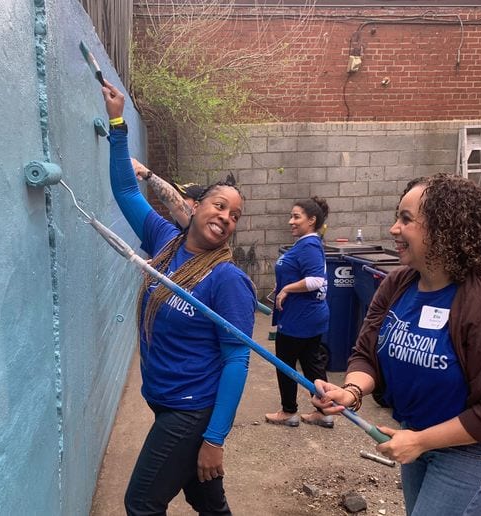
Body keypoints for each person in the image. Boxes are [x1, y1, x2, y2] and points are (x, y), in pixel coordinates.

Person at [312, 174, 481, 515]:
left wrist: (420, 441)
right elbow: (367, 353)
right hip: (416, 438)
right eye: (396, 217)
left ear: (444, 229)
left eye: (406, 220)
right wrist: (351, 392)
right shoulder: (398, 284)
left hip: (475, 452)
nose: (393, 229)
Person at [101, 79, 257, 515]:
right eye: (220, 206)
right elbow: (126, 192)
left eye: (235, 216)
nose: (226, 218)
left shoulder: (227, 281)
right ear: (195, 206)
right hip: (166, 399)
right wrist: (117, 123)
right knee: (205, 497)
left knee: (142, 502)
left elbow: (236, 361)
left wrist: (214, 439)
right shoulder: (164, 240)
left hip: (190, 410)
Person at [265, 197, 334, 429]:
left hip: (300, 319)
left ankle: (288, 412)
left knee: (285, 362)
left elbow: (316, 280)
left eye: (296, 217)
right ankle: (324, 411)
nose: (290, 221)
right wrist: (283, 284)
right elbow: (302, 273)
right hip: (307, 316)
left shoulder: (309, 245)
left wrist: (287, 288)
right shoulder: (307, 244)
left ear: (312, 220)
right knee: (311, 363)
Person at [131, 157, 203, 229]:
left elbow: (178, 205)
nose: (177, 199)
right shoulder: (174, 232)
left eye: (183, 197)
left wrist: (146, 174)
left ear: (196, 206)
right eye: (177, 195)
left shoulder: (199, 231)